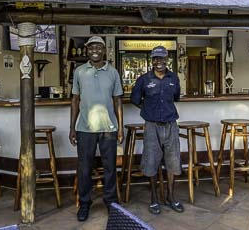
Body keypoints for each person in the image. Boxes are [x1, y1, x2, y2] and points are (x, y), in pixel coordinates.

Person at [69, 36, 124, 222]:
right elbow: (75, 100)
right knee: (84, 168)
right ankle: (85, 203)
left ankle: (111, 202)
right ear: (87, 50)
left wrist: (120, 128)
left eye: (98, 47)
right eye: (91, 47)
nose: (94, 50)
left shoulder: (113, 73)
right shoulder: (79, 72)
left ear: (104, 50)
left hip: (109, 127)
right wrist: (72, 127)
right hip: (85, 128)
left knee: (110, 167)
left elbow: (118, 101)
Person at [130, 45, 184, 215]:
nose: (158, 61)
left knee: (173, 162)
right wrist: (147, 109)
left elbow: (176, 97)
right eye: (155, 58)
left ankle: (171, 196)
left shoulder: (174, 78)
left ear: (167, 59)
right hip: (152, 125)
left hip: (171, 124)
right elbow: (134, 99)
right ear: (151, 60)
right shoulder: (144, 79)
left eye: (161, 58)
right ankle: (154, 198)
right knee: (151, 161)